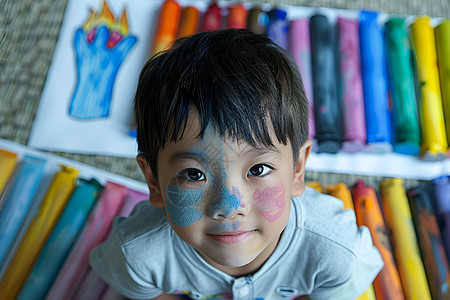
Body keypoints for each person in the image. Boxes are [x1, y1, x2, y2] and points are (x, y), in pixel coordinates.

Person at [90, 29, 383, 300]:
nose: (229, 205)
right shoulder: (137, 254)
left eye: (258, 169)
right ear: (153, 180)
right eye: (194, 174)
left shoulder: (337, 251)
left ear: (297, 169)